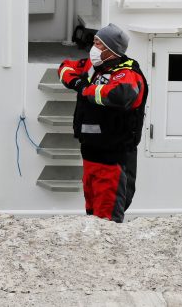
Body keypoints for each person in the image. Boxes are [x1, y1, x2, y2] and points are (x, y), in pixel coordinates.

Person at [58, 23, 148, 223]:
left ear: (111, 50)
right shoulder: (93, 67)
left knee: (107, 218)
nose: (93, 47)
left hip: (112, 158)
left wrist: (86, 90)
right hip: (90, 154)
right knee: (92, 212)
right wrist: (77, 82)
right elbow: (64, 67)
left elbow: (119, 94)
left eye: (98, 43)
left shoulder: (127, 73)